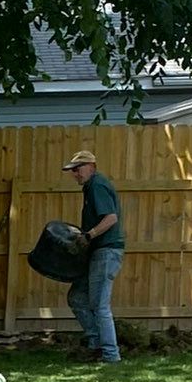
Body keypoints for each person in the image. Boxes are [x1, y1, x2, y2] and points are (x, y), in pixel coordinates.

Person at [65, 147, 125, 364]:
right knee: (77, 297)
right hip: (98, 252)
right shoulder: (91, 186)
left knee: (100, 305)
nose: (75, 174)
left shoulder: (97, 185)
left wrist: (88, 235)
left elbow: (111, 218)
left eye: (78, 168)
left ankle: (110, 355)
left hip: (106, 252)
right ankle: (95, 343)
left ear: (92, 166)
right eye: (72, 170)